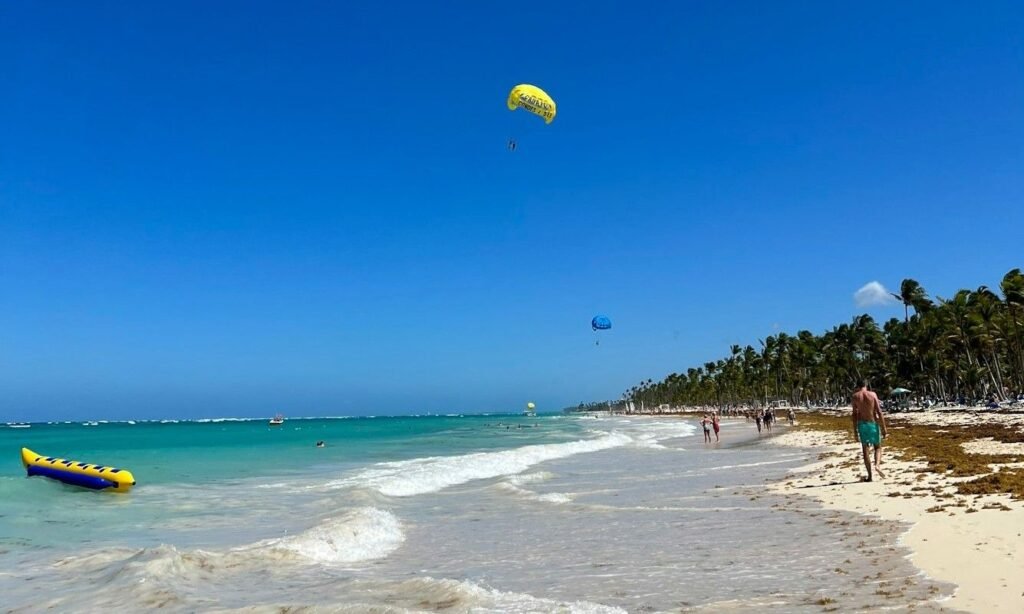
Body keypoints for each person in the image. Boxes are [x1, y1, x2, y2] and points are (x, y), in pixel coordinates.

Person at [851, 378, 888, 481]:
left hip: (862, 424)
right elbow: (879, 412)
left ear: (858, 386)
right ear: (866, 385)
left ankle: (870, 476)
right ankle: (877, 465)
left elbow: (854, 415)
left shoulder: (855, 396)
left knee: (865, 451)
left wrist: (855, 431)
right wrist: (884, 428)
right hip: (873, 423)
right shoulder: (873, 395)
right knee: (877, 447)